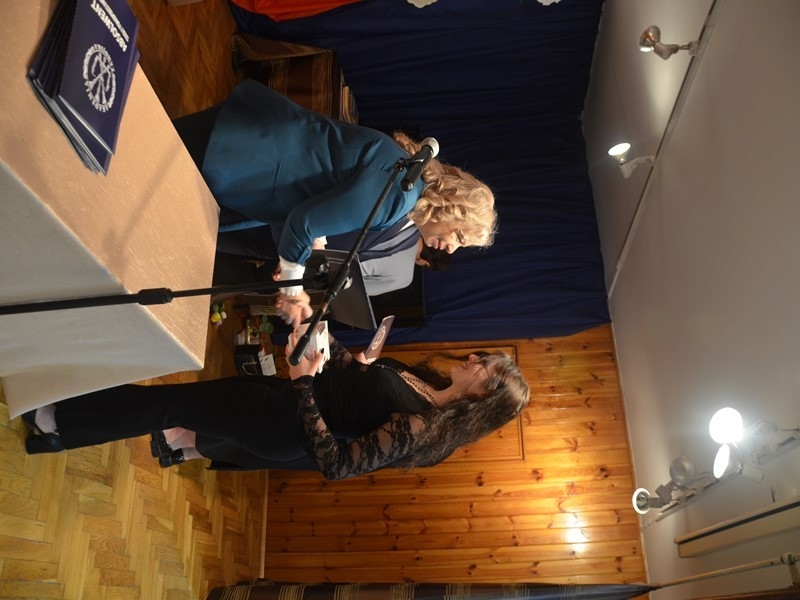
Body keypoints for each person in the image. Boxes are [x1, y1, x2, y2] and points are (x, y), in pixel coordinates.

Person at [20, 306, 530, 479]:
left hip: (281, 425)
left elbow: (336, 464)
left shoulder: (424, 428)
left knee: (167, 406)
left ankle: (57, 424)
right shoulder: (426, 384)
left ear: (482, 399)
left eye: (483, 368)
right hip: (281, 397)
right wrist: (323, 334)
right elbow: (350, 377)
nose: (473, 359)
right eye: (482, 357)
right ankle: (60, 421)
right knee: (169, 403)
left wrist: (303, 383)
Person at [172, 78, 496, 297]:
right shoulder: (400, 197)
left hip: (255, 136)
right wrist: (292, 287)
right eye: (460, 238)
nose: (451, 249)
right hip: (248, 158)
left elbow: (326, 190)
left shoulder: (407, 171)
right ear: (452, 210)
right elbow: (304, 223)